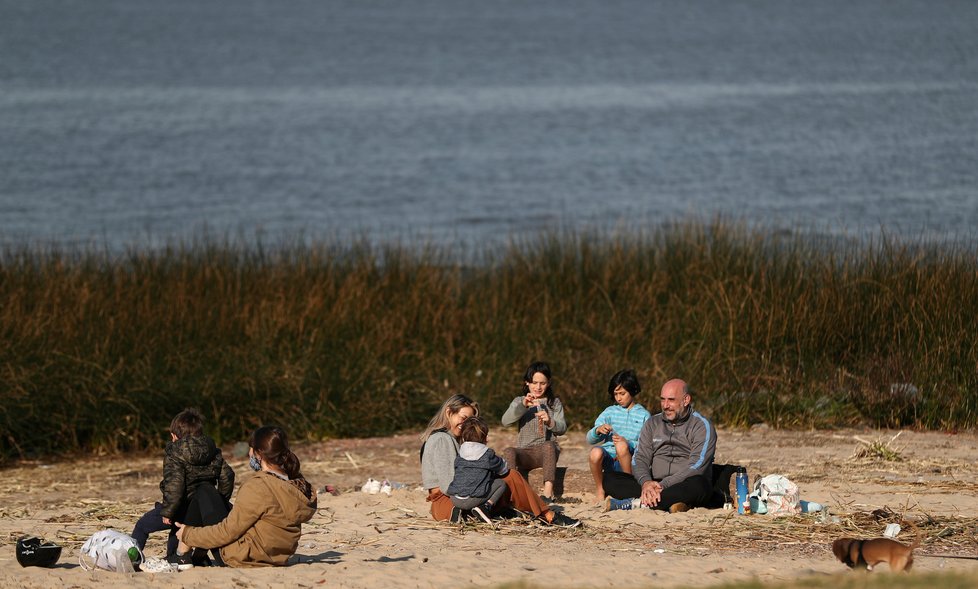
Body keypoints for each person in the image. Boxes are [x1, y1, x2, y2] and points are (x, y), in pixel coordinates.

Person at [420, 394, 579, 527]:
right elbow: (449, 487)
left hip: (455, 501)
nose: (467, 424)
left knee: (504, 482)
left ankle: (524, 510)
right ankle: (548, 515)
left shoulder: (455, 441)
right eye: (464, 418)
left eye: (471, 420)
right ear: (449, 412)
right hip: (447, 503)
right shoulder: (442, 439)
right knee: (511, 477)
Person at [175, 426, 317, 567]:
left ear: (258, 453)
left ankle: (181, 553)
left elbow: (227, 532)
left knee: (205, 491)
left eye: (250, 448)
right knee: (218, 501)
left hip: (242, 556)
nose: (248, 454)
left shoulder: (258, 486)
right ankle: (196, 557)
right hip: (276, 556)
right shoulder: (295, 484)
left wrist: (188, 534)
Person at [131, 408, 234, 558]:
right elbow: (228, 476)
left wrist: (169, 511)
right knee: (178, 529)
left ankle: (133, 557)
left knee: (143, 525)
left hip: (180, 506)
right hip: (201, 510)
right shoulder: (213, 451)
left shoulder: (175, 452)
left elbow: (175, 485)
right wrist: (220, 500)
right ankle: (176, 557)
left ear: (174, 436)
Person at [602, 379, 716, 513]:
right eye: (663, 400)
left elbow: (696, 466)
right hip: (653, 483)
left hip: (683, 483)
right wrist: (646, 483)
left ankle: (637, 503)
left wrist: (663, 485)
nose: (665, 405)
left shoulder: (702, 426)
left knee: (699, 485)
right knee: (609, 479)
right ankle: (672, 503)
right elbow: (640, 458)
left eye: (671, 400)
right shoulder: (652, 423)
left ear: (686, 400)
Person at [500, 361, 567, 500]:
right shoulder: (519, 401)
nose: (538, 387)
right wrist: (522, 406)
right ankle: (513, 492)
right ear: (527, 383)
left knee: (549, 445)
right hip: (525, 452)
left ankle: (548, 493)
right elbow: (505, 421)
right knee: (508, 451)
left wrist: (550, 421)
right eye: (534, 382)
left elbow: (562, 428)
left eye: (542, 383)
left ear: (548, 383)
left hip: (546, 452)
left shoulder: (554, 403)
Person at [585, 370, 651, 501]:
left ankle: (628, 486)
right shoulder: (609, 412)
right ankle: (600, 489)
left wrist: (628, 443)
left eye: (622, 393)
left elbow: (647, 445)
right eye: (616, 394)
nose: (619, 398)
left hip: (630, 459)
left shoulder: (644, 415)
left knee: (621, 445)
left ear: (633, 391)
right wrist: (598, 430)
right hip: (609, 459)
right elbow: (589, 439)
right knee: (595, 452)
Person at [446, 416, 510, 524]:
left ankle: (458, 509)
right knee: (501, 484)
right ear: (486, 437)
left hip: (455, 498)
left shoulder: (459, 454)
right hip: (473, 499)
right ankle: (486, 507)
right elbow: (503, 469)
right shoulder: (487, 455)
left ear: (463, 436)